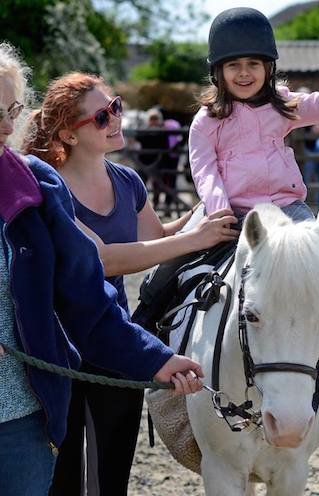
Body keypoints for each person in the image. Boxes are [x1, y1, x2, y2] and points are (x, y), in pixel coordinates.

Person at [0, 41, 205, 496]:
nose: (9, 126)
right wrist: (194, 238)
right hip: (53, 360)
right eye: (101, 115)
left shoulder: (89, 182)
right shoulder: (47, 184)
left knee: (104, 473)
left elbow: (120, 265)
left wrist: (157, 358)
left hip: (65, 368)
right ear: (70, 134)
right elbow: (107, 257)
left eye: (114, 108)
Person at [189, 7, 319, 365]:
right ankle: (152, 311)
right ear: (218, 71)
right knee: (181, 257)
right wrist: (218, 210)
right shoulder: (207, 120)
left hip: (285, 206)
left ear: (268, 67)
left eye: (253, 64)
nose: (244, 73)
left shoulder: (283, 106)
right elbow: (204, 169)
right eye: (234, 65)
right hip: (231, 211)